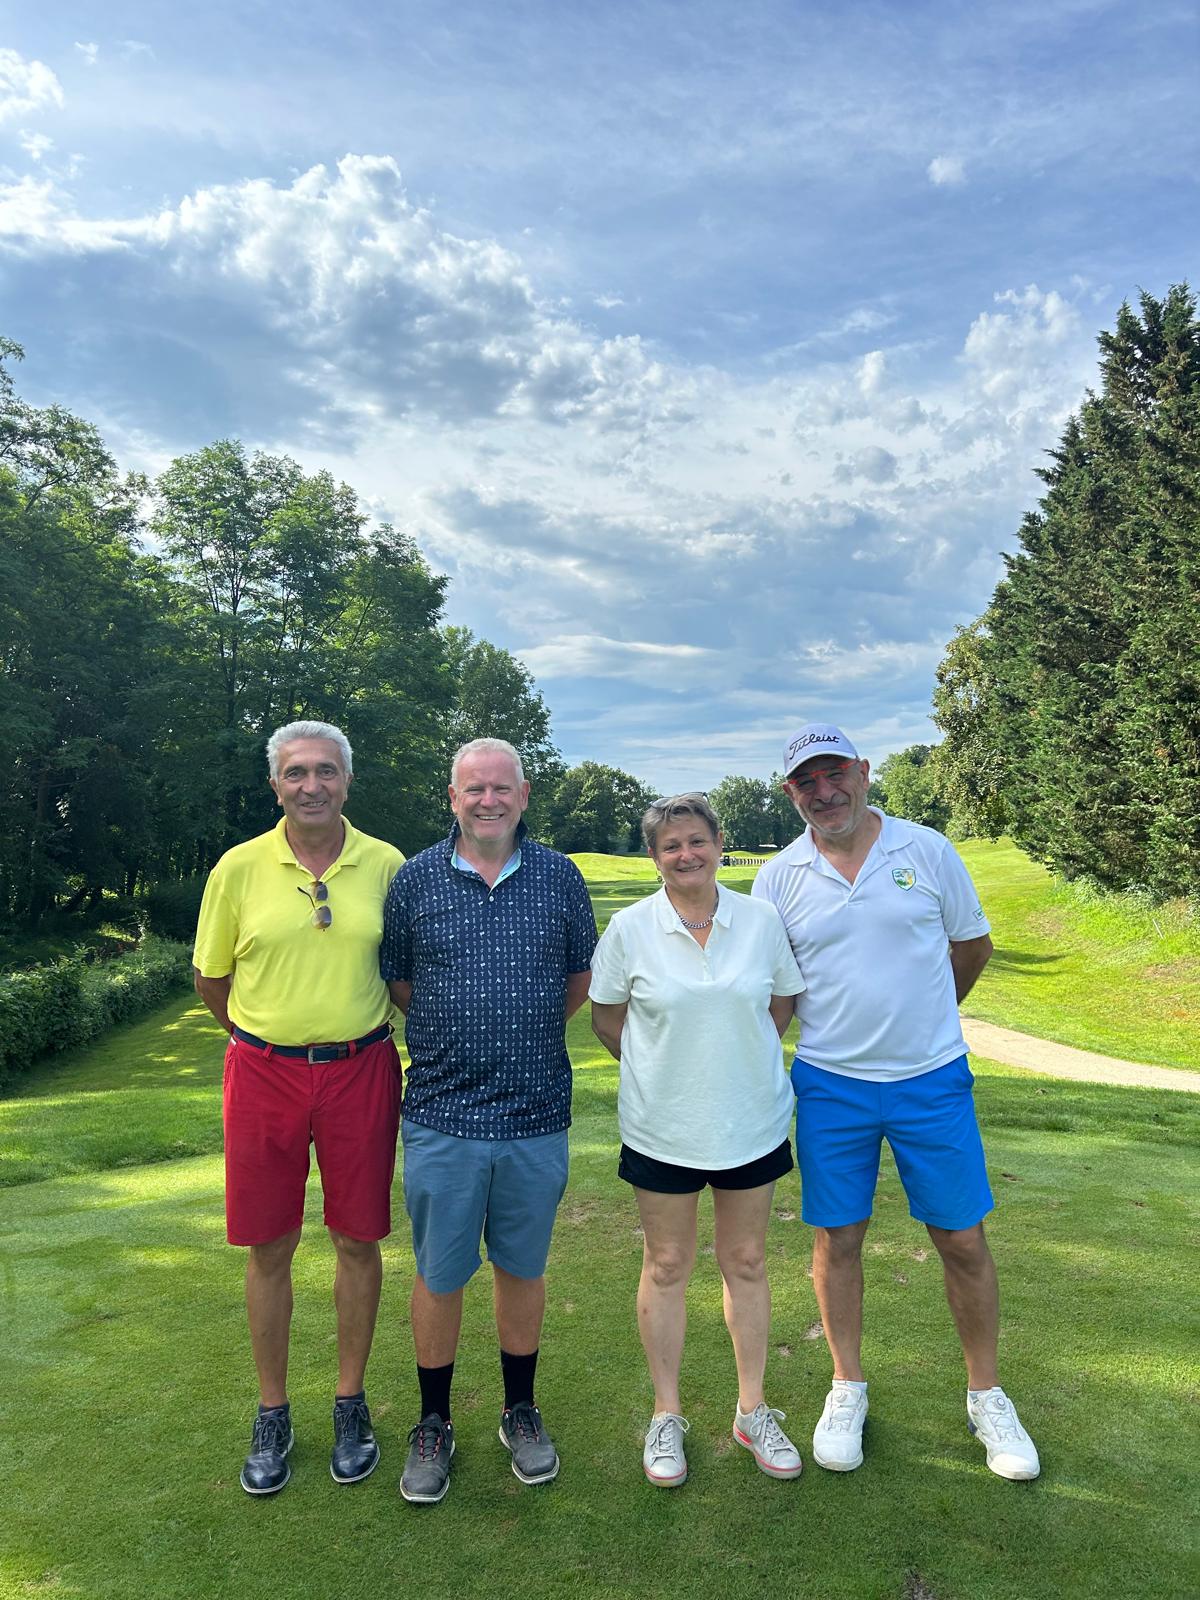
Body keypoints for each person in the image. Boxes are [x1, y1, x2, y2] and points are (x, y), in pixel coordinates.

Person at [753, 722, 1040, 1481]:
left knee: (962, 1238)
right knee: (837, 1238)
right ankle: (846, 1386)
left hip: (930, 1079)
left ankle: (986, 1395)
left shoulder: (926, 850)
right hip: (830, 1084)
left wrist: (928, 1019)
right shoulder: (778, 877)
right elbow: (774, 988)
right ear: (790, 793)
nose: (824, 792)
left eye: (834, 773)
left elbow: (971, 947)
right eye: (807, 781)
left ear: (863, 771)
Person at [380, 738, 597, 1504]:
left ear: (524, 795)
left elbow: (578, 979)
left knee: (522, 1269)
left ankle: (519, 1410)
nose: (488, 800)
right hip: (443, 1114)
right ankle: (433, 1422)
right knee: (440, 1273)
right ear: (454, 797)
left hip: (535, 1114)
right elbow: (401, 983)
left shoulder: (559, 877)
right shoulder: (414, 880)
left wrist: (520, 1031)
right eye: (474, 788)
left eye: (502, 787)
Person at [192, 720, 404, 1496]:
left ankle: (350, 1403)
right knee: (269, 1243)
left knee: (357, 1237)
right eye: (295, 773)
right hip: (263, 1073)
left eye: (325, 771)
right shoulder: (238, 867)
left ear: (347, 780)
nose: (311, 785)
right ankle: (273, 1410)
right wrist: (265, 1041)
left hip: (362, 1068)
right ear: (275, 785)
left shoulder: (387, 865)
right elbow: (212, 979)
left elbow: (408, 971)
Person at [590, 794, 806, 1488]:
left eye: (697, 841)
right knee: (666, 1265)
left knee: (746, 1261)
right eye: (670, 845)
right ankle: (667, 1414)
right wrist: (668, 1072)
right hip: (661, 1128)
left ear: (718, 844)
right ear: (654, 857)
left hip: (751, 1122)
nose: (686, 855)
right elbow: (607, 1020)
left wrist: (730, 1065)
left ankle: (752, 1410)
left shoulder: (760, 920)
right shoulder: (630, 928)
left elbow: (779, 1007)